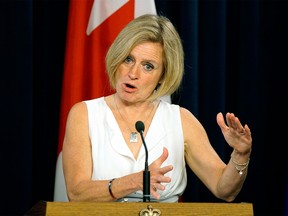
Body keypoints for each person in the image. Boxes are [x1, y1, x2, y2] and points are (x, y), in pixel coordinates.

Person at [62, 14, 252, 203]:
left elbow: (224, 190)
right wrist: (134, 182)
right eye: (128, 59)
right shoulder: (85, 114)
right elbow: (77, 193)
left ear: (163, 75)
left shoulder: (181, 120)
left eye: (148, 66)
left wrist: (241, 154)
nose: (133, 73)